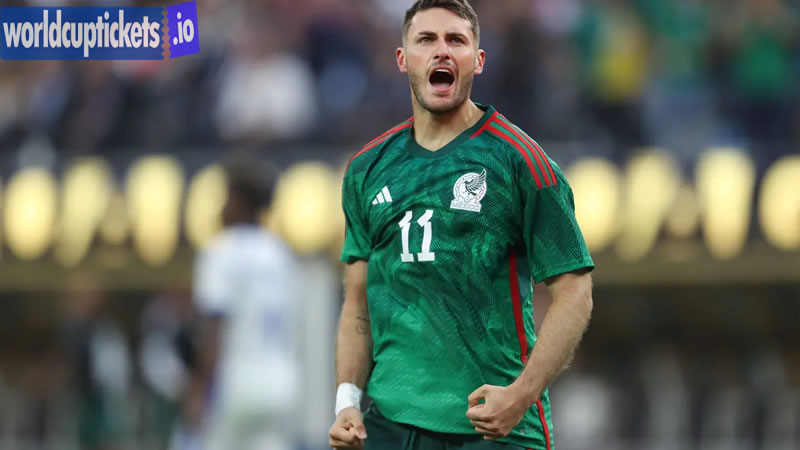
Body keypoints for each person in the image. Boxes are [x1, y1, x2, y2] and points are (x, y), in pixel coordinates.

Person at [329, 1, 594, 449]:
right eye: (426, 40)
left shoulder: (521, 162)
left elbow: (575, 291)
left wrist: (521, 395)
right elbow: (358, 301)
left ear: (478, 59)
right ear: (402, 59)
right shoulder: (366, 169)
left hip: (494, 427)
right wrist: (346, 402)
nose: (442, 51)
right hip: (390, 425)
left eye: (456, 40)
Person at [185, 156, 299, 450]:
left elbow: (214, 327)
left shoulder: (221, 251)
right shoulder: (279, 253)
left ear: (241, 202)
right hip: (281, 382)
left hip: (236, 384)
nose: (221, 207)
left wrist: (198, 390)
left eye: (226, 197)